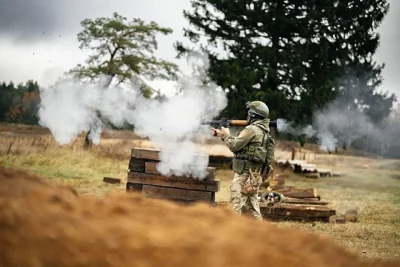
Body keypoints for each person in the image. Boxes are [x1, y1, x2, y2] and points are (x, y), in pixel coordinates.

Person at [212, 101, 275, 220]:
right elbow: (243, 147)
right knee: (252, 209)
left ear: (253, 115)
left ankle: (233, 235)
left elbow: (235, 146)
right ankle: (262, 235)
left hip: (244, 175)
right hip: (254, 176)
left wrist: (226, 135)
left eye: (249, 113)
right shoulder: (263, 131)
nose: (248, 115)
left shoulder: (251, 129)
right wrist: (222, 136)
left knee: (234, 209)